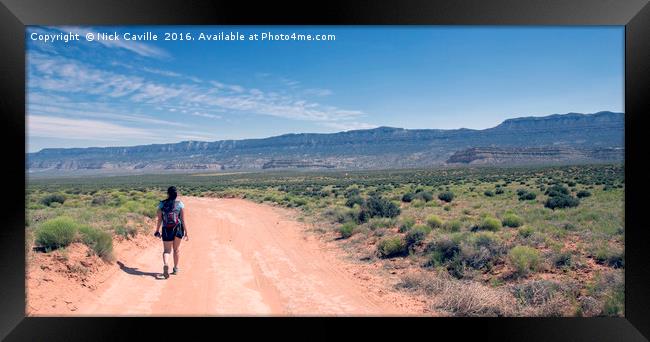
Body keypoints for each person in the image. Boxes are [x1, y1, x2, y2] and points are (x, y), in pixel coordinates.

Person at [154, 186, 189, 279]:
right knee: (176, 250)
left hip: (166, 229)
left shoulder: (161, 204)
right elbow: (183, 219)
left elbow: (159, 220)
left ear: (168, 194)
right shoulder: (180, 204)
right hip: (178, 229)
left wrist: (157, 230)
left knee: (167, 251)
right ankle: (175, 269)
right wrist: (186, 232)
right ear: (176, 194)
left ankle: (166, 264)